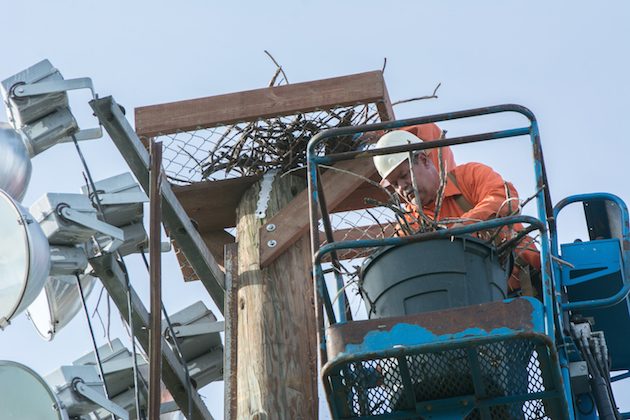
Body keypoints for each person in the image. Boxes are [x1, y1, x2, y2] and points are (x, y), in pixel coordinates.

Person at [372, 129, 540, 295]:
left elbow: (504, 200)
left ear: (424, 160)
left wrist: (463, 226)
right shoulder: (409, 223)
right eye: (394, 184)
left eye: (404, 174)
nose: (402, 186)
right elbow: (399, 266)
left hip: (527, 286)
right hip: (466, 302)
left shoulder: (469, 176)